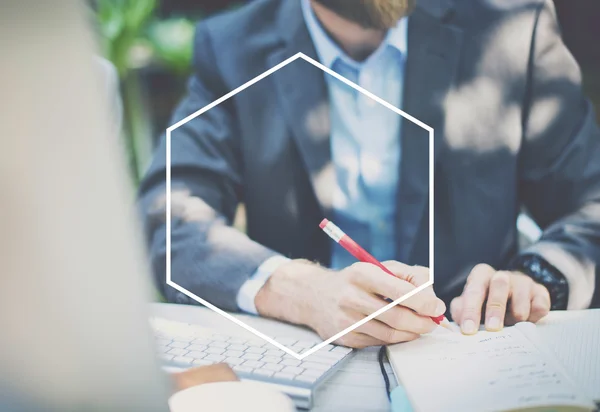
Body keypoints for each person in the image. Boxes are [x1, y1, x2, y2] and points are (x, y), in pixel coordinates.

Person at [139, 0, 600, 346]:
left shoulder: (513, 24)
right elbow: (170, 221)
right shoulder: (231, 46)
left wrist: (537, 276)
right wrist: (302, 291)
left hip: (475, 347)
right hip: (312, 358)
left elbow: (591, 202)